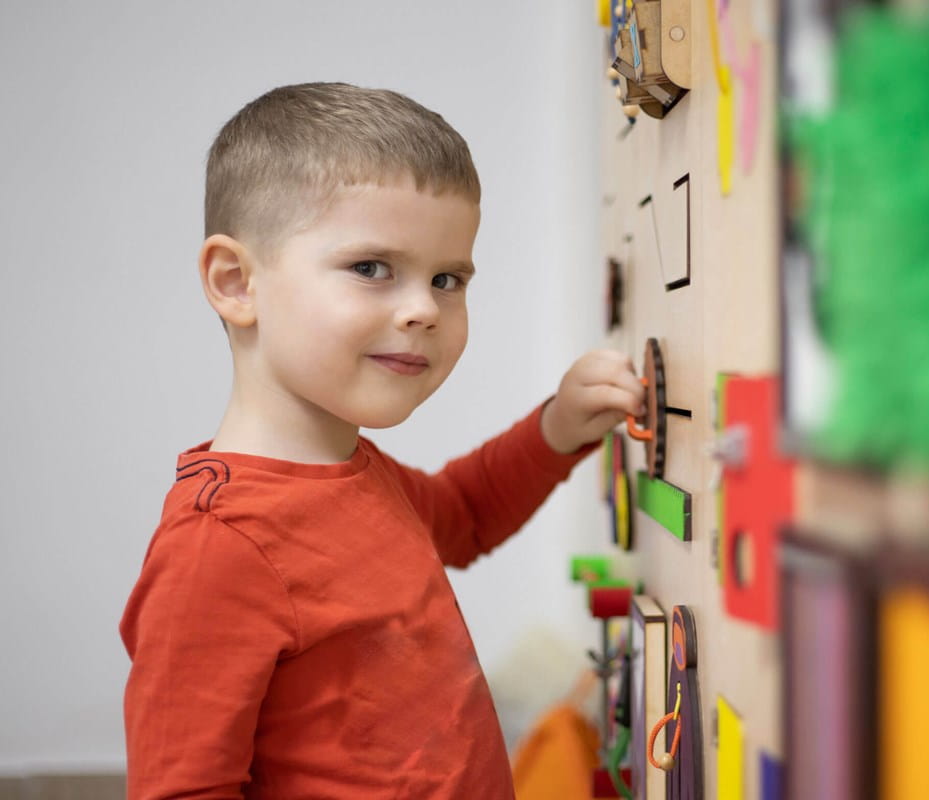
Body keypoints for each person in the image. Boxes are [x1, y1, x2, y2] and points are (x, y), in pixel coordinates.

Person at [120, 82, 644, 799]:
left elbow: (462, 515)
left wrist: (557, 428)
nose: (424, 308)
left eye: (447, 278)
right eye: (372, 269)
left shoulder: (358, 472)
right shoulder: (219, 548)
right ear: (236, 282)